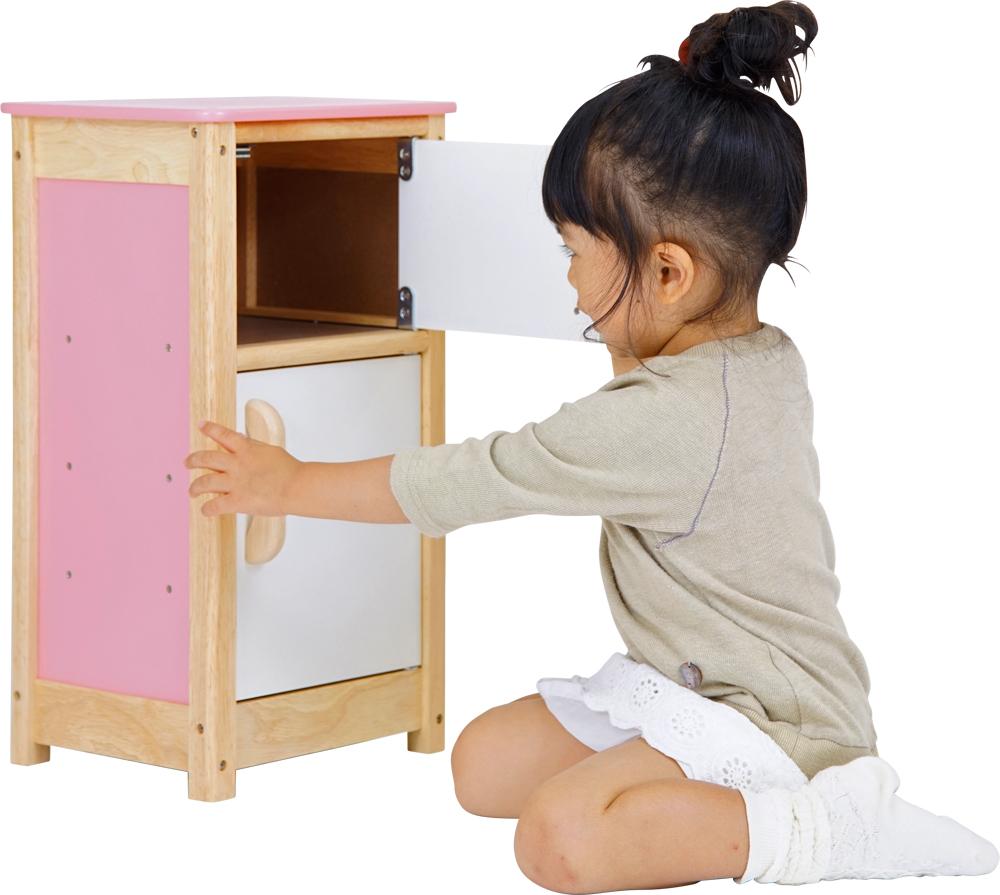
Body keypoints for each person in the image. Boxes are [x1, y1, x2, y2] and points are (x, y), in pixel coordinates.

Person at [184, 1, 998, 888]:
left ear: (669, 272)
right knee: (482, 765)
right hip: (691, 685)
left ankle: (835, 830)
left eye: (574, 250)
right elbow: (643, 393)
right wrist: (624, 327)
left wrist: (289, 482)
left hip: (778, 724)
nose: (568, 282)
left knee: (558, 838)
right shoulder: (758, 358)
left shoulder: (665, 418)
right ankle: (687, 797)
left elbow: (478, 478)